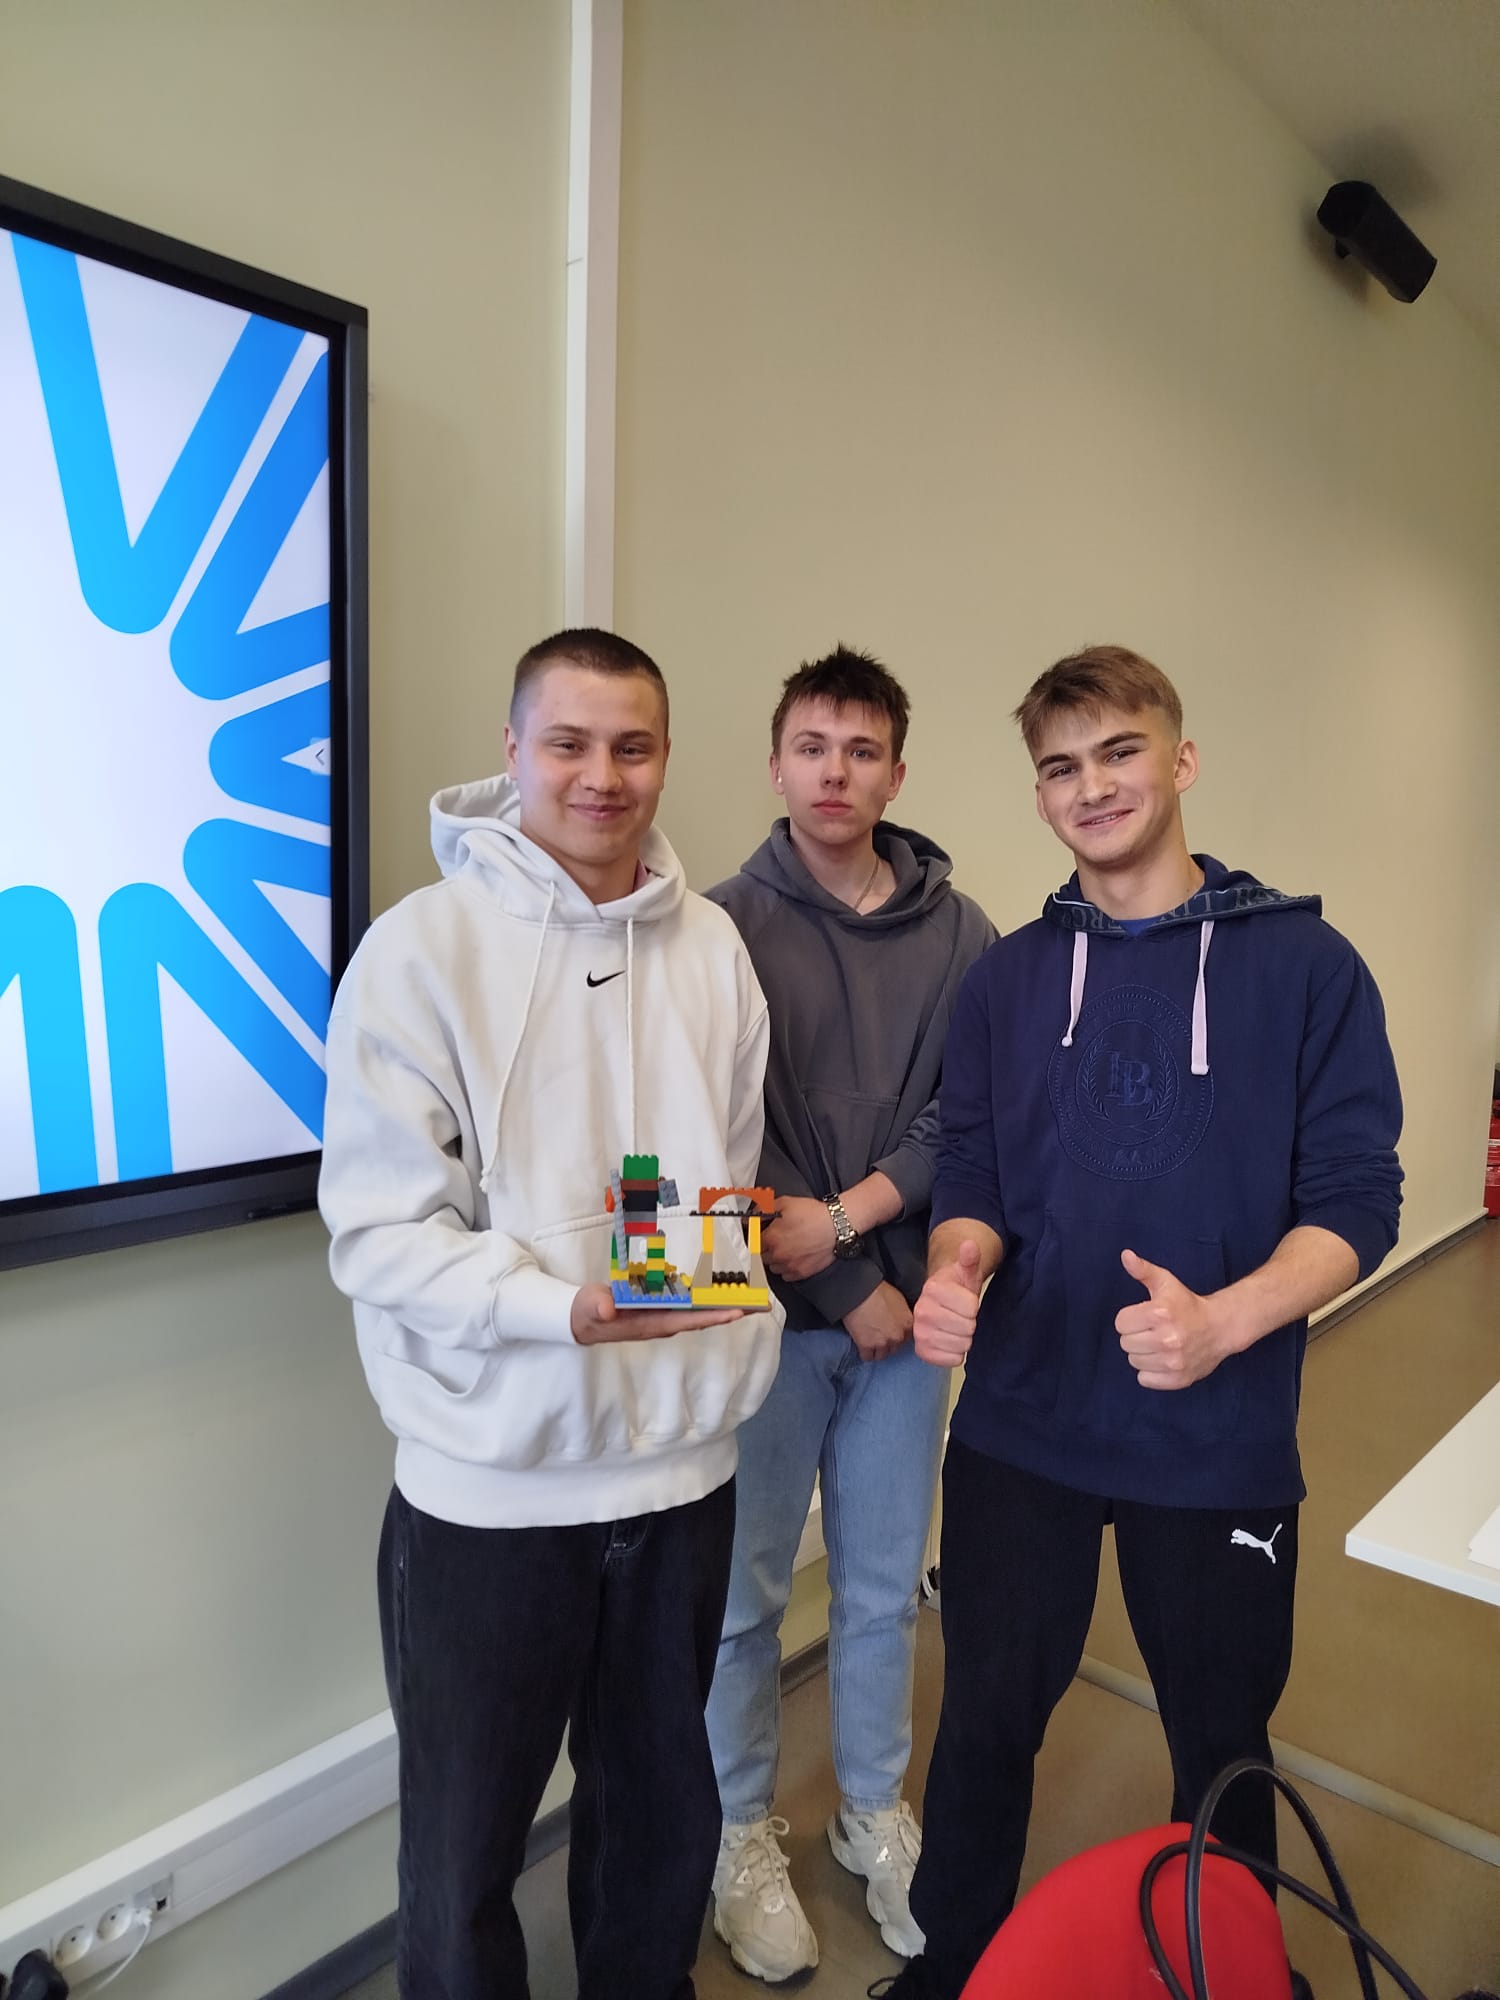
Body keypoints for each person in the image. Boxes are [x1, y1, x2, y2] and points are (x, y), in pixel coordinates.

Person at [882, 644, 1403, 2000]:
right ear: (1039, 794)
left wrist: (1227, 1324)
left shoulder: (1308, 968)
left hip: (1216, 1437)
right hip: (1024, 1425)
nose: (1093, 786)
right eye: (1061, 766)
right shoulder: (1006, 981)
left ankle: (1237, 1978)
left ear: (1181, 759)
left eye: (1120, 752)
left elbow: (1359, 1201)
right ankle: (950, 1972)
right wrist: (957, 1267)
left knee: (1222, 1743)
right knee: (985, 1720)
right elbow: (977, 1177)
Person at [319, 628, 784, 2000]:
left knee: (656, 1834)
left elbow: (712, 1182)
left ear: (665, 757)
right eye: (569, 744)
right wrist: (558, 1311)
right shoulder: (420, 952)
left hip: (682, 1477)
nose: (601, 776)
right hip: (490, 1493)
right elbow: (379, 1235)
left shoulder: (712, 949)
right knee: (463, 1857)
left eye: (632, 746)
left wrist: (672, 1292)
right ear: (512, 750)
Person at [702, 646, 994, 1984]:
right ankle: (736, 1832)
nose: (836, 771)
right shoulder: (715, 928)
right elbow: (719, 1134)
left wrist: (860, 1230)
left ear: (896, 772)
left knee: (882, 1587)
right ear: (777, 765)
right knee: (745, 1598)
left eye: (862, 750)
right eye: (812, 747)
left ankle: (874, 1809)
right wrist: (836, 1280)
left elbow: (966, 1117)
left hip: (904, 1329)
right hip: (764, 1327)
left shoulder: (962, 934)